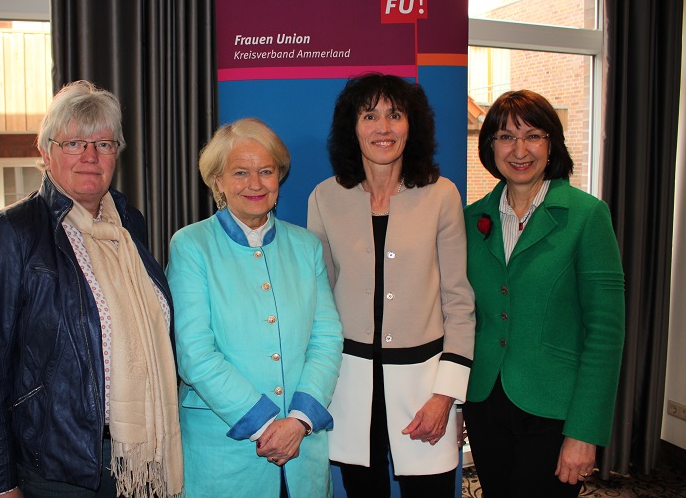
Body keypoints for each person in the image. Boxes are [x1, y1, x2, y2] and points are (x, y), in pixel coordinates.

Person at [0, 81, 183, 498]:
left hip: (139, 460)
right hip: (59, 468)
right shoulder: (10, 234)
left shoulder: (129, 225)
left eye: (104, 144)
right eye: (74, 142)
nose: (90, 157)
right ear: (46, 151)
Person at [307, 73, 476, 497]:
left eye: (395, 115)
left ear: (410, 126)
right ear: (353, 127)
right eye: (370, 115)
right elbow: (320, 303)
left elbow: (459, 302)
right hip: (349, 387)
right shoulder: (324, 198)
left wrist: (447, 396)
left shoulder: (442, 195)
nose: (383, 127)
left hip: (424, 388)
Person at [166, 117, 343, 497]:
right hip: (225, 457)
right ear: (218, 181)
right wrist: (266, 427)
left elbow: (326, 339)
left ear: (279, 177)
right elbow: (195, 354)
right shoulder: (191, 246)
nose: (255, 184)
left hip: (303, 449)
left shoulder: (306, 246)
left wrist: (297, 421)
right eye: (240, 172)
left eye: (266, 171)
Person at [463, 90, 625, 498]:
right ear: (489, 147)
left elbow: (606, 332)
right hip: (486, 403)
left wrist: (584, 431)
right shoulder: (470, 219)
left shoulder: (587, 216)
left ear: (551, 144)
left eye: (533, 135)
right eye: (505, 137)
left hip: (555, 409)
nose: (520, 150)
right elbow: (463, 315)